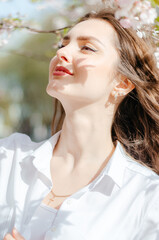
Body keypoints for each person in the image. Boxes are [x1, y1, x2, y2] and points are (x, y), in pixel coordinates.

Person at [1, 6, 159, 240]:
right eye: (62, 45)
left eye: (87, 47)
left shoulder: (146, 196)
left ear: (123, 83)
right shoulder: (8, 158)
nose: (61, 54)